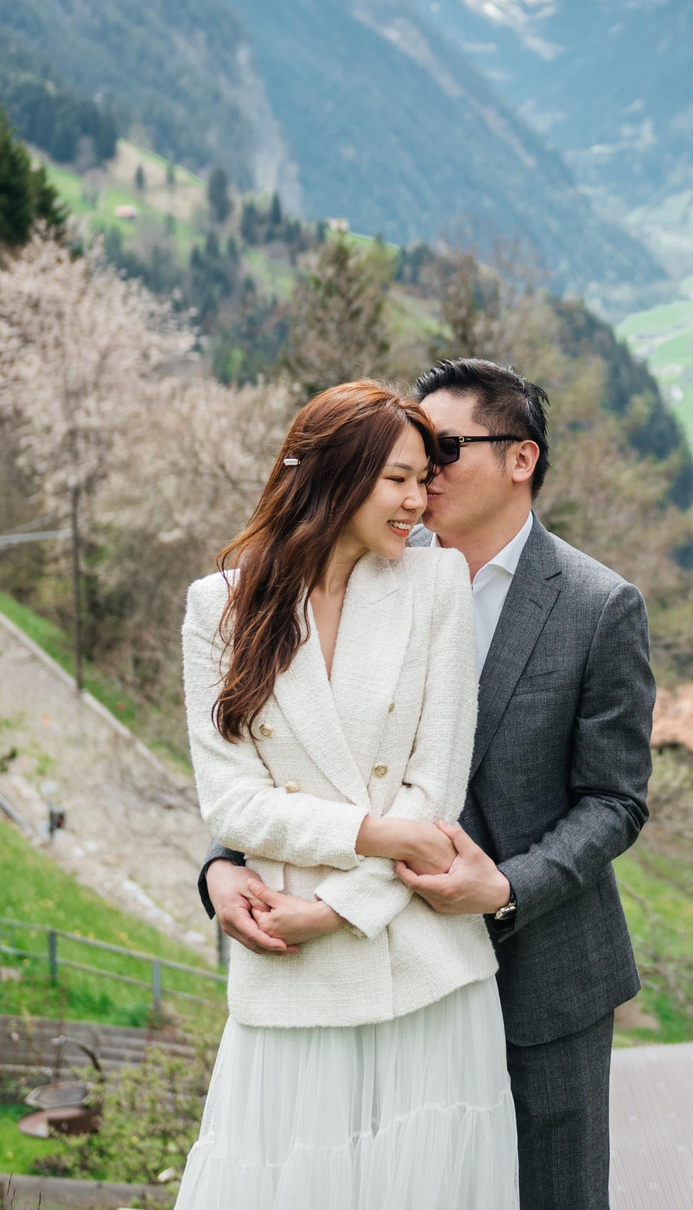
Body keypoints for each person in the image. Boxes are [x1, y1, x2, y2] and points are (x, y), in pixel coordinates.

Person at [202, 358, 654, 1210]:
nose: (424, 473)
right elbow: (292, 752)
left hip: (539, 972)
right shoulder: (365, 572)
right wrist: (221, 864)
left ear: (521, 459)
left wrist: (509, 886)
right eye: (410, 455)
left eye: (444, 447)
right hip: (359, 963)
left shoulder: (599, 606)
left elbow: (616, 799)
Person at [175, 380, 517, 1208]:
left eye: (424, 478)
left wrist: (333, 909)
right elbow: (233, 805)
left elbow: (434, 794)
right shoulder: (218, 607)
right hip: (292, 979)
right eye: (398, 478)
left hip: (420, 968)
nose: (419, 499)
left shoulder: (437, 588)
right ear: (334, 475)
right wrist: (375, 834)